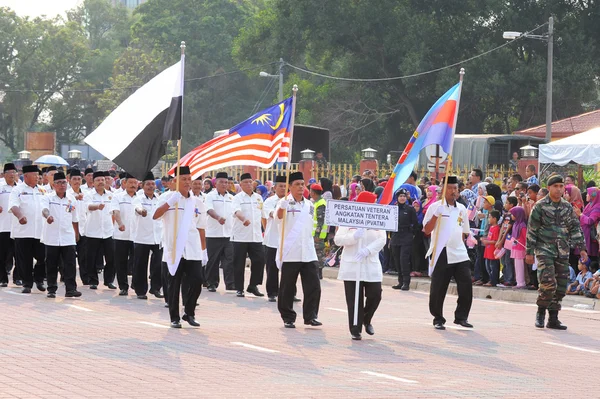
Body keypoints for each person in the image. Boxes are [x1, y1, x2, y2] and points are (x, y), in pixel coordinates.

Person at [527, 175, 586, 330]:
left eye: (561, 186)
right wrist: (529, 252)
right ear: (549, 187)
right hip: (544, 250)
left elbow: (575, 228)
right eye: (556, 186)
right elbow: (532, 230)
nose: (559, 189)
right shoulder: (540, 206)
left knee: (560, 286)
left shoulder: (567, 207)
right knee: (548, 283)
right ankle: (540, 312)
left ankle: (553, 318)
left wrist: (582, 249)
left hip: (563, 251)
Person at [153, 166, 207, 328]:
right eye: (183, 179)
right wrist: (170, 202)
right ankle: (174, 317)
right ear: (174, 181)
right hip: (174, 248)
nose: (187, 182)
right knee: (173, 285)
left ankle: (189, 312)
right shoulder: (167, 197)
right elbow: (155, 216)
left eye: (189, 179)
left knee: (197, 281)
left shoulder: (197, 202)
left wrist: (204, 250)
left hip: (192, 247)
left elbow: (201, 227)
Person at [334, 191, 386, 340]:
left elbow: (382, 239)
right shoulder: (348, 217)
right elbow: (338, 239)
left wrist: (368, 250)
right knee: (354, 299)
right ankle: (355, 328)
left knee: (375, 295)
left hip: (370, 263)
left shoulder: (377, 218)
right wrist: (353, 237)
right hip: (352, 264)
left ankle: (366, 319)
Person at [423, 175, 473, 330]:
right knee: (439, 287)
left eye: (455, 188)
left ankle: (461, 317)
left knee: (466, 285)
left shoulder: (462, 209)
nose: (453, 191)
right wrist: (436, 215)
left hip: (459, 252)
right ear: (443, 190)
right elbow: (426, 230)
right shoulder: (435, 207)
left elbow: (465, 231)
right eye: (450, 188)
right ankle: (438, 317)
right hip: (441, 251)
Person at [275, 171, 322, 329]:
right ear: (290, 186)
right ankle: (288, 317)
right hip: (291, 251)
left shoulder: (309, 204)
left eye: (303, 184)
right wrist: (282, 207)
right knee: (288, 287)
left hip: (308, 251)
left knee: (313, 285)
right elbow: (278, 219)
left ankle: (311, 316)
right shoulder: (284, 202)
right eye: (297, 184)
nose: (301, 187)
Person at [40, 172, 81, 298]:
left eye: (64, 182)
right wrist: (48, 217)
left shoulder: (71, 199)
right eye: (59, 183)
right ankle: (51, 289)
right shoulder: (47, 197)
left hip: (67, 235)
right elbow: (44, 210)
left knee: (70, 264)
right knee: (51, 264)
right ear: (53, 185)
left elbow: (74, 218)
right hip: (51, 236)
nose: (62, 185)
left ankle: (71, 289)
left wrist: (76, 233)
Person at [8, 164, 46, 294]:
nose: (37, 177)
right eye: (35, 175)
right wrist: (20, 216)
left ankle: (39, 278)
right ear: (26, 176)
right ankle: (27, 283)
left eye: (38, 175)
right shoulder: (17, 190)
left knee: (43, 257)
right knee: (25, 259)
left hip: (40, 231)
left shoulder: (42, 190)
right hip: (23, 231)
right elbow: (13, 205)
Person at [231, 173, 265, 298]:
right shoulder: (237, 198)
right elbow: (236, 211)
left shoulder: (258, 198)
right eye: (245, 182)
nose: (249, 185)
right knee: (239, 263)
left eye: (250, 182)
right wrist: (243, 219)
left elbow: (263, 215)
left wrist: (265, 230)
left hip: (256, 235)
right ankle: (239, 288)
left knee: (260, 260)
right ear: (240, 185)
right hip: (240, 236)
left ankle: (253, 285)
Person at [132, 172, 163, 300]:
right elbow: (137, 208)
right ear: (142, 186)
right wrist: (141, 211)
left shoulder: (160, 198)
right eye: (148, 184)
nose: (151, 186)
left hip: (158, 236)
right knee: (140, 265)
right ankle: (140, 290)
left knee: (159, 264)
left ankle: (155, 288)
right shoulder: (138, 198)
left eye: (152, 184)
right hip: (142, 236)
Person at [84, 171, 116, 290]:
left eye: (102, 180)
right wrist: (97, 207)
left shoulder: (111, 195)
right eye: (98, 180)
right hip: (93, 230)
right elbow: (87, 207)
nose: (101, 182)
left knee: (111, 257)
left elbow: (114, 211)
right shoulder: (89, 195)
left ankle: (109, 280)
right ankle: (93, 280)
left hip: (108, 230)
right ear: (93, 182)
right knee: (91, 258)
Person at [203, 172, 235, 292]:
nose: (224, 184)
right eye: (221, 182)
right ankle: (212, 283)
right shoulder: (210, 196)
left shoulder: (231, 197)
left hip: (228, 233)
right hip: (213, 234)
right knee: (213, 260)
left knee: (229, 259)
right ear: (215, 183)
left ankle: (230, 283)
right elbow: (209, 209)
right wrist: (218, 218)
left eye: (226, 182)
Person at [111, 173, 138, 296]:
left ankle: (136, 283)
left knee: (137, 261)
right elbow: (115, 211)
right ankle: (123, 286)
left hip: (137, 236)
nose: (133, 185)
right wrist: (120, 223)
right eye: (130, 182)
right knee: (120, 262)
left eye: (135, 182)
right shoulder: (118, 197)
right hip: (121, 235)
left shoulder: (141, 197)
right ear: (124, 183)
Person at [391, 188, 418, 290]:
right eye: (400, 196)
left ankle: (406, 282)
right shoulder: (393, 208)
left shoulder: (410, 209)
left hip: (406, 236)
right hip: (395, 236)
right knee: (397, 260)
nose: (402, 198)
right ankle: (400, 281)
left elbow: (415, 224)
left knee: (404, 260)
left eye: (404, 196)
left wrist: (411, 234)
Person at [67, 169, 88, 285]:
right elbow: (68, 210)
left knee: (84, 256)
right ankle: (67, 277)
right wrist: (75, 199)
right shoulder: (67, 194)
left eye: (79, 179)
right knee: (69, 257)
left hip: (83, 229)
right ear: (69, 180)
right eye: (74, 179)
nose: (77, 181)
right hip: (70, 229)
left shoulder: (86, 194)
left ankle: (85, 278)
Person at [0, 163, 18, 287]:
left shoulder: (20, 188)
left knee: (19, 254)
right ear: (4, 174)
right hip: (3, 226)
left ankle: (18, 277)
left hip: (18, 228)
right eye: (9, 172)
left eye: (14, 172)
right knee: (2, 254)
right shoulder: (1, 187)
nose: (12, 174)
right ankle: (3, 278)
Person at [574, 187, 600, 260]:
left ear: (593, 196)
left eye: (588, 194)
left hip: (591, 238)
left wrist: (580, 214)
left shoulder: (597, 207)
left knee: (589, 259)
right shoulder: (589, 205)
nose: (586, 195)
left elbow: (590, 221)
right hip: (584, 234)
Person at [310, 183, 327, 278]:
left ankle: (319, 273)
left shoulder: (321, 204)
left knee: (319, 254)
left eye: (311, 191)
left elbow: (321, 220)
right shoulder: (316, 202)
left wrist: (317, 234)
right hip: (315, 234)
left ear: (313, 192)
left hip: (318, 235)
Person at [509, 206, 528, 288]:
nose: (511, 216)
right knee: (517, 266)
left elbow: (526, 237)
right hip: (515, 247)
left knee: (520, 266)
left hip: (521, 248)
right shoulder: (515, 224)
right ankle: (518, 281)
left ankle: (521, 282)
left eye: (513, 214)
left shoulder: (522, 226)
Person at [481, 210, 500, 287]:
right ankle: (490, 280)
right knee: (488, 266)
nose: (489, 219)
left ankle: (493, 281)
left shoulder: (496, 228)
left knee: (493, 267)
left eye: (490, 217)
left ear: (494, 219)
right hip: (488, 251)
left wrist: (487, 242)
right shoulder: (491, 227)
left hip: (493, 252)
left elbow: (495, 241)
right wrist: (484, 239)